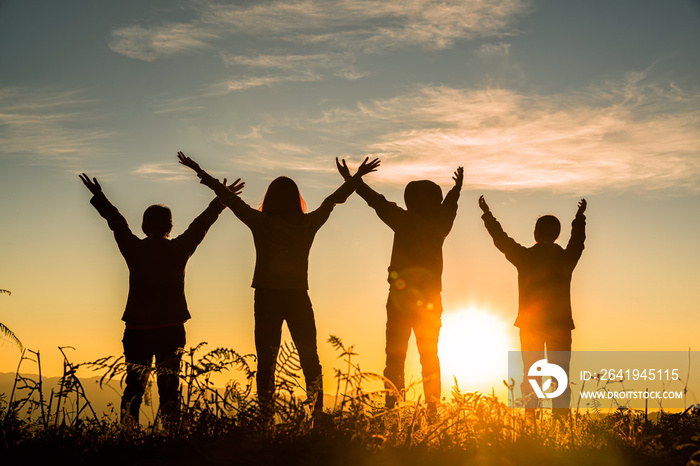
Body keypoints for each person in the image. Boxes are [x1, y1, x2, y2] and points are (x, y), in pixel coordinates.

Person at [177, 152, 380, 415]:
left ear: (270, 199)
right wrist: (355, 178)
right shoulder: (307, 224)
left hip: (266, 297)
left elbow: (229, 199)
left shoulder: (261, 223)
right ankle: (316, 415)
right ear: (297, 199)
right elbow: (332, 201)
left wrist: (199, 171)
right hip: (297, 296)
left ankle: (265, 418)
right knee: (310, 357)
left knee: (267, 361)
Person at [79, 173, 242, 425]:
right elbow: (201, 225)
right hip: (170, 331)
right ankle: (170, 439)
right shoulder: (179, 249)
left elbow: (117, 222)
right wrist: (221, 200)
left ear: (144, 226)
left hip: (137, 331)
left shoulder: (134, 249)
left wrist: (99, 196)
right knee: (169, 390)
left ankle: (128, 439)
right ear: (170, 227)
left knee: (134, 389)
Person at [337, 159, 464, 411]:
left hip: (399, 297)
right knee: (429, 357)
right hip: (429, 299)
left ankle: (392, 408)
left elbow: (376, 201)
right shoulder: (440, 225)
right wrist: (456, 189)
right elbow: (450, 206)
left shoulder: (402, 219)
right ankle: (432, 411)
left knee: (395, 357)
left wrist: (353, 179)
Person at [478, 196, 586, 413]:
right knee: (560, 375)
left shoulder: (525, 257)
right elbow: (577, 242)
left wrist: (488, 215)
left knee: (531, 374)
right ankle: (561, 423)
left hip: (531, 325)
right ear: (557, 235)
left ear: (536, 233)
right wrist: (579, 218)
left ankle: (530, 423)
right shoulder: (565, 259)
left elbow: (501, 240)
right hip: (560, 325)